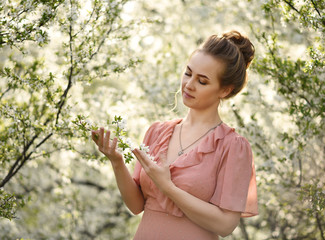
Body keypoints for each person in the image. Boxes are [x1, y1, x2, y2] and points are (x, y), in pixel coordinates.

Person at [91, 30, 258, 239]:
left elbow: (225, 225)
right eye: (188, 73)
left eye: (202, 81)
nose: (189, 85)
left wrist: (167, 187)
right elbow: (137, 206)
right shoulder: (157, 132)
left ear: (224, 90)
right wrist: (116, 162)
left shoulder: (232, 146)